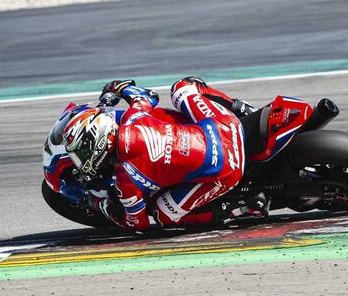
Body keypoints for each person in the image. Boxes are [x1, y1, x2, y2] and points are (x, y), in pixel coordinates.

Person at [61, 77, 246, 231]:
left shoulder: (125, 181)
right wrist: (118, 87)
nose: (81, 159)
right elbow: (147, 96)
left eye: (82, 152)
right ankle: (242, 109)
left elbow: (137, 224)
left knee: (163, 215)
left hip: (228, 169)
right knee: (182, 87)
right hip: (225, 125)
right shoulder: (133, 117)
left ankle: (237, 208)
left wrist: (99, 205)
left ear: (98, 141)